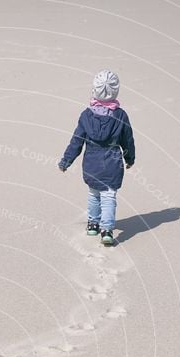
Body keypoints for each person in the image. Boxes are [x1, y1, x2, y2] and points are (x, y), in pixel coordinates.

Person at [58, 70, 135, 246]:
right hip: (112, 162)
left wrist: (66, 161)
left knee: (94, 193)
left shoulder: (86, 115)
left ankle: (93, 224)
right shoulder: (120, 115)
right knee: (109, 196)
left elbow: (76, 141)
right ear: (115, 91)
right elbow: (128, 140)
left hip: (92, 162)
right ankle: (106, 230)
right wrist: (129, 158)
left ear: (94, 90)